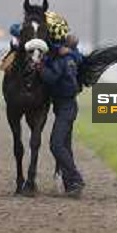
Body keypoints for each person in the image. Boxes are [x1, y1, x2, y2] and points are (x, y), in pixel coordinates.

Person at [36, 31, 85, 197]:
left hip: (65, 107)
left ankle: (77, 179)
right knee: (65, 146)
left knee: (56, 144)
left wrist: (40, 66)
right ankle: (71, 186)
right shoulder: (72, 57)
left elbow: (51, 78)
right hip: (67, 105)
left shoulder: (62, 60)